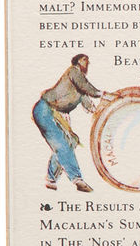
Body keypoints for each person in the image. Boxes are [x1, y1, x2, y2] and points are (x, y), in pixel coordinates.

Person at [32, 54, 103, 191]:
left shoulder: (80, 87)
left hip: (57, 116)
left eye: (88, 61)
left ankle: (51, 179)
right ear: (77, 61)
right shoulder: (74, 71)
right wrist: (102, 94)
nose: (87, 63)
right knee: (62, 145)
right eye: (84, 60)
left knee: (70, 142)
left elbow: (89, 105)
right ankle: (77, 180)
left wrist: (101, 110)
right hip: (45, 110)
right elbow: (87, 87)